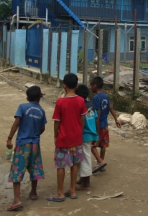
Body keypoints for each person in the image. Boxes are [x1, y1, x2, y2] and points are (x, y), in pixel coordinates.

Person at [5, 86, 47, 212]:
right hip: (35, 143)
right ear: (40, 96)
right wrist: (35, 135)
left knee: (17, 170)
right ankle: (33, 193)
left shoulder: (23, 107)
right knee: (34, 167)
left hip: (23, 143)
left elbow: (17, 122)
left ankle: (17, 200)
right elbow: (43, 128)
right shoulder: (41, 111)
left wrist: (9, 138)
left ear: (27, 97)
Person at [47, 73, 87, 202]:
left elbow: (57, 121)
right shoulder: (81, 100)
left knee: (61, 165)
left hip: (63, 138)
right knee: (75, 164)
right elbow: (83, 118)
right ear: (76, 85)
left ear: (64, 86)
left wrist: (55, 135)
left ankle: (60, 193)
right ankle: (72, 190)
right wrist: (79, 131)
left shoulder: (60, 102)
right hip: (76, 138)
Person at [90, 76, 121, 174]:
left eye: (91, 85)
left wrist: (95, 127)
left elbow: (97, 113)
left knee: (92, 145)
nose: (90, 88)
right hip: (105, 125)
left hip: (98, 125)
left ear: (95, 86)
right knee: (103, 145)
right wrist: (116, 119)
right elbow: (111, 107)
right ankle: (101, 163)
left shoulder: (95, 98)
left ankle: (100, 161)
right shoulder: (105, 96)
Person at [75, 84, 99, 191]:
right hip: (91, 133)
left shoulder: (80, 106)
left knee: (84, 158)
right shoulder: (91, 105)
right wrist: (97, 134)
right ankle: (83, 179)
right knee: (83, 157)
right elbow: (96, 119)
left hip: (84, 134)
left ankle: (86, 183)